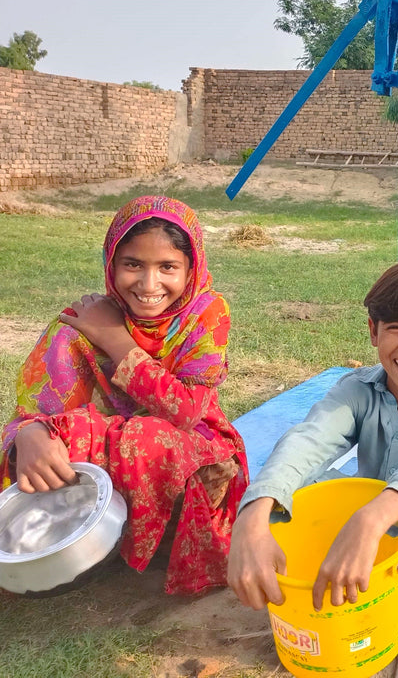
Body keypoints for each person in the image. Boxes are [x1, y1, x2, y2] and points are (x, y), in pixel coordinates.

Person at [228, 259, 398, 678]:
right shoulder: (356, 389)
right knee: (299, 488)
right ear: (373, 331)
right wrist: (252, 514)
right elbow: (307, 442)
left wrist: (369, 520)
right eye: (395, 328)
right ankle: (353, 580)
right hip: (374, 542)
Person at [1, 196, 248, 595]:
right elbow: (34, 416)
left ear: (191, 268)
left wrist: (117, 341)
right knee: (44, 440)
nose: (149, 285)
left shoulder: (206, 313)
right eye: (133, 264)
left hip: (193, 452)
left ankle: (155, 540)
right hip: (101, 472)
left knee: (148, 437)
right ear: (111, 264)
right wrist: (29, 434)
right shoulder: (80, 327)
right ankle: (76, 545)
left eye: (168, 267)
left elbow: (185, 412)